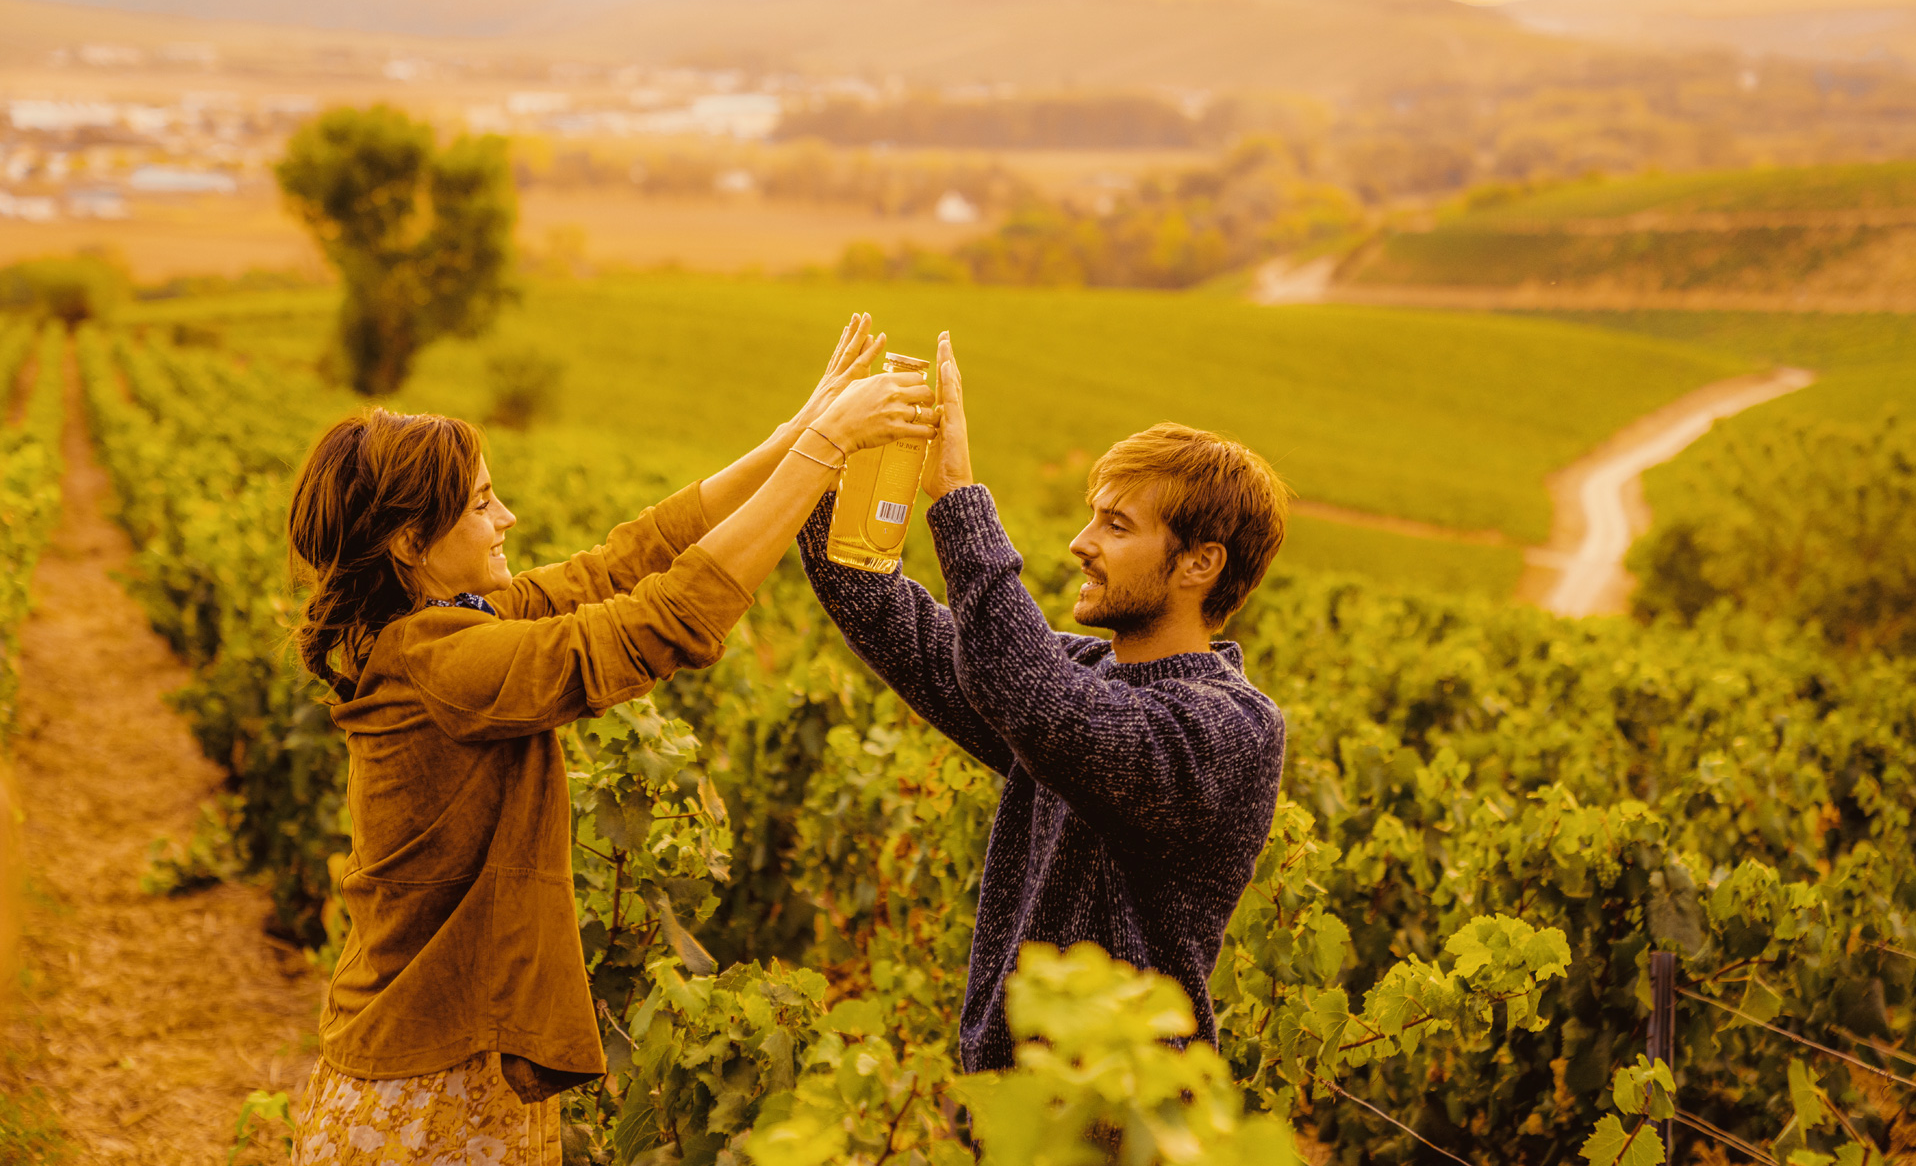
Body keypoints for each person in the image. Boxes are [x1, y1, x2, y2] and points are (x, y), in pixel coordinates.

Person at [285, 315, 933, 1165]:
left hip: (444, 1049)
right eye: (482, 504)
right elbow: (650, 626)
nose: (507, 517)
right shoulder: (443, 661)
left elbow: (622, 562)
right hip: (426, 1073)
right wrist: (822, 451)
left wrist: (795, 435)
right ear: (411, 542)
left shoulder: (434, 627)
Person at [797, 332, 1290, 1076]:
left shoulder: (1232, 729)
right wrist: (825, 450)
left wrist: (959, 498)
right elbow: (894, 616)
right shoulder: (1086, 670)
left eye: (1115, 526)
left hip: (1121, 1128)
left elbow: (1047, 708)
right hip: (1010, 1114)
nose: (1078, 543)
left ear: (1200, 563)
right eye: (1092, 516)